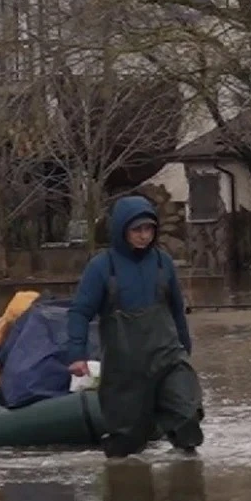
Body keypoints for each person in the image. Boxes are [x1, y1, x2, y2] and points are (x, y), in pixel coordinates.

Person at [67, 195, 204, 458]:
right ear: (122, 230)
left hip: (167, 358)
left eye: (149, 229)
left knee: (187, 416)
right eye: (137, 230)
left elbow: (176, 309)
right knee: (126, 443)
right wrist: (76, 354)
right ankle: (123, 484)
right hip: (125, 369)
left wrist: (185, 347)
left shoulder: (163, 262)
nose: (144, 236)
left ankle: (186, 481)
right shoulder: (101, 267)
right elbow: (80, 312)